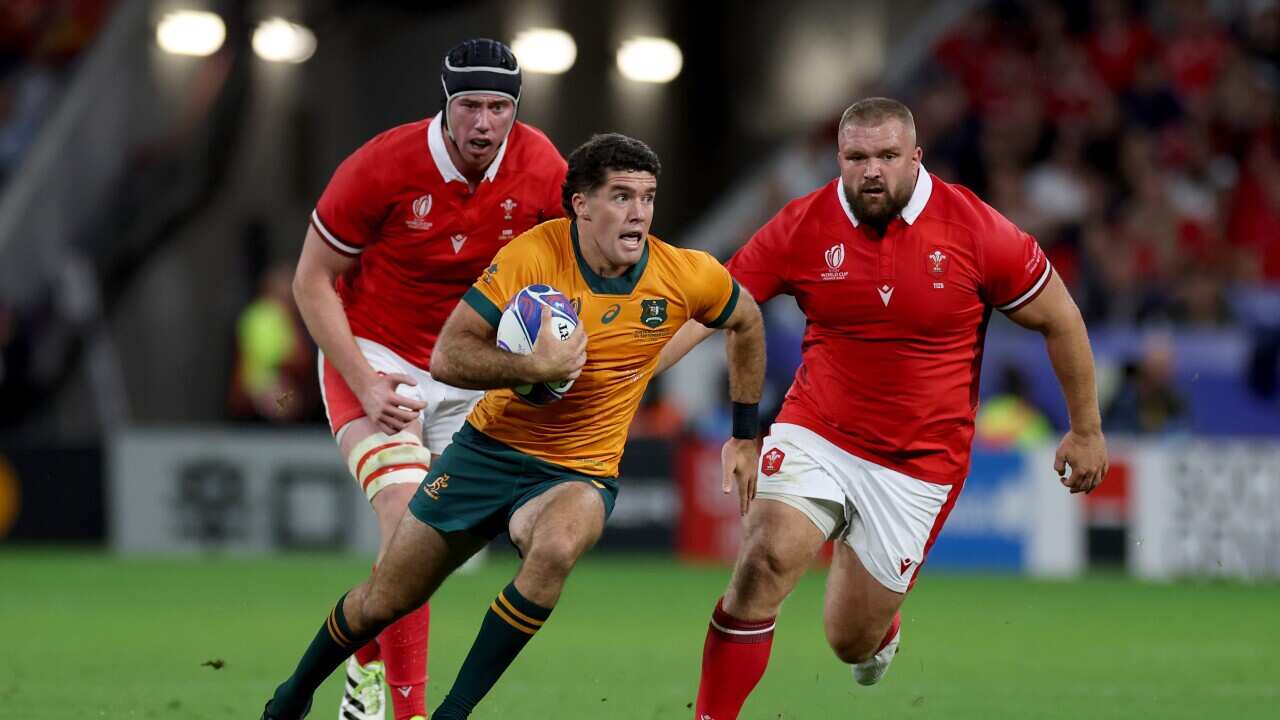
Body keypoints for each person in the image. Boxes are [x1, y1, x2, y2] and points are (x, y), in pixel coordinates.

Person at [261, 132, 766, 720]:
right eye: (621, 197)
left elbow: (746, 321)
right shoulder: (533, 256)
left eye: (647, 198)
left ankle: (451, 714)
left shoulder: (684, 273)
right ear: (581, 205)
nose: (638, 213)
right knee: (386, 599)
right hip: (487, 452)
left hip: (578, 470)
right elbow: (449, 356)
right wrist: (533, 368)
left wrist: (744, 432)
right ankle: (292, 696)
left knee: (555, 548)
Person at [657, 97, 1109, 719]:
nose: (872, 170)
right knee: (763, 560)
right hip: (818, 429)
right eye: (858, 157)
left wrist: (1086, 429)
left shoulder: (974, 229)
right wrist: (631, 372)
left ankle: (878, 632)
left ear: (916, 158)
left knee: (850, 639)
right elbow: (718, 306)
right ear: (839, 158)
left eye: (888, 156)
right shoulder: (802, 224)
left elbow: (1060, 318)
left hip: (918, 463)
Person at [291, 38, 567, 720]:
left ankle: (364, 663)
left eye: (498, 107)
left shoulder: (543, 168)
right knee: (406, 514)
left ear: (516, 109)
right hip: (378, 357)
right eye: (469, 105)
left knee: (425, 556)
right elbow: (311, 280)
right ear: (445, 104)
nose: (483, 122)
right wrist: (364, 381)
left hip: (473, 369)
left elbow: (575, 278)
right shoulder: (382, 165)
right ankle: (410, 713)